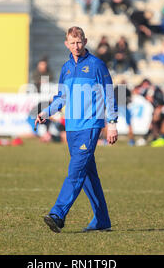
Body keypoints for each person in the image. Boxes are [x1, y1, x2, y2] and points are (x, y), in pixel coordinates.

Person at [35, 26, 118, 233]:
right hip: (71, 127)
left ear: (86, 41)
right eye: (72, 43)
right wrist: (45, 113)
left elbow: (111, 94)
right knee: (88, 175)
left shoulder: (97, 65)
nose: (76, 46)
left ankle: (58, 214)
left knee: (75, 171)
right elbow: (61, 98)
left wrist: (112, 123)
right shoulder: (65, 68)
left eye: (79, 42)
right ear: (66, 44)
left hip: (90, 126)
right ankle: (102, 220)